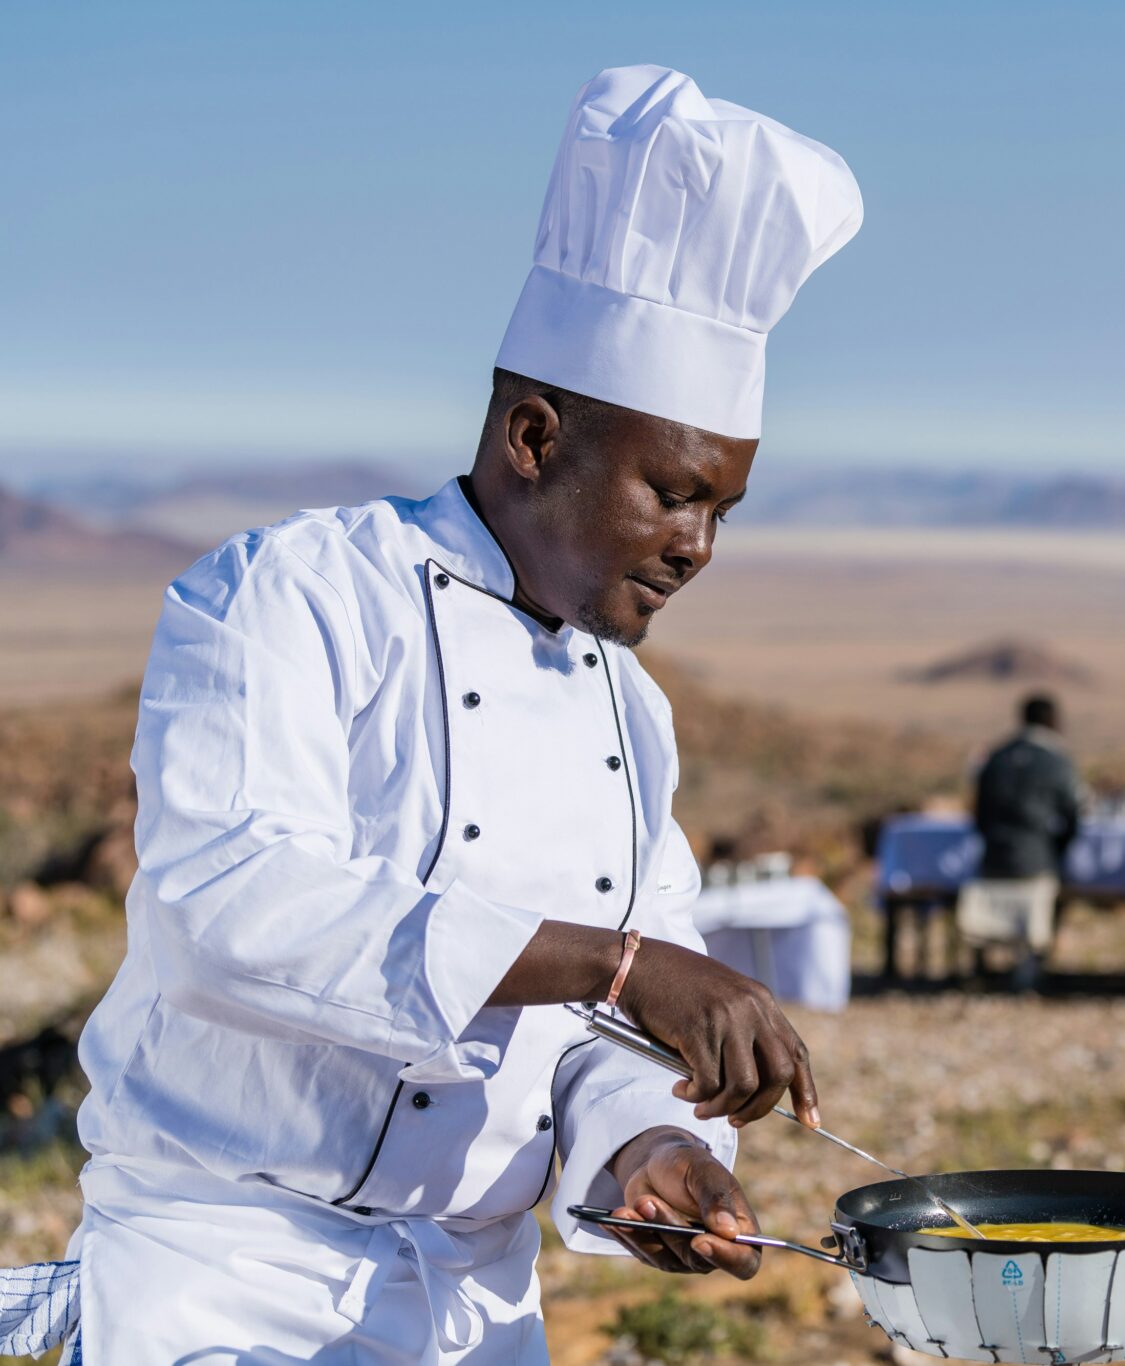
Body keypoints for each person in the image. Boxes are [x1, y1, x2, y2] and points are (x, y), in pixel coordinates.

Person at [28, 65, 863, 1363]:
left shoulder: (630, 711)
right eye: (673, 492)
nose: (698, 546)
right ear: (533, 436)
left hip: (469, 1306)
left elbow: (599, 1040)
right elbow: (226, 909)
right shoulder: (295, 593)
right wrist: (622, 963)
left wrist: (646, 1145)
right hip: (224, 1271)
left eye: (722, 511)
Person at [972, 693, 1082, 882]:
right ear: (1053, 721)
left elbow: (980, 815)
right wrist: (1056, 851)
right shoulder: (1055, 761)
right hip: (1037, 864)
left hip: (993, 861)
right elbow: (1072, 815)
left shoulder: (996, 758)